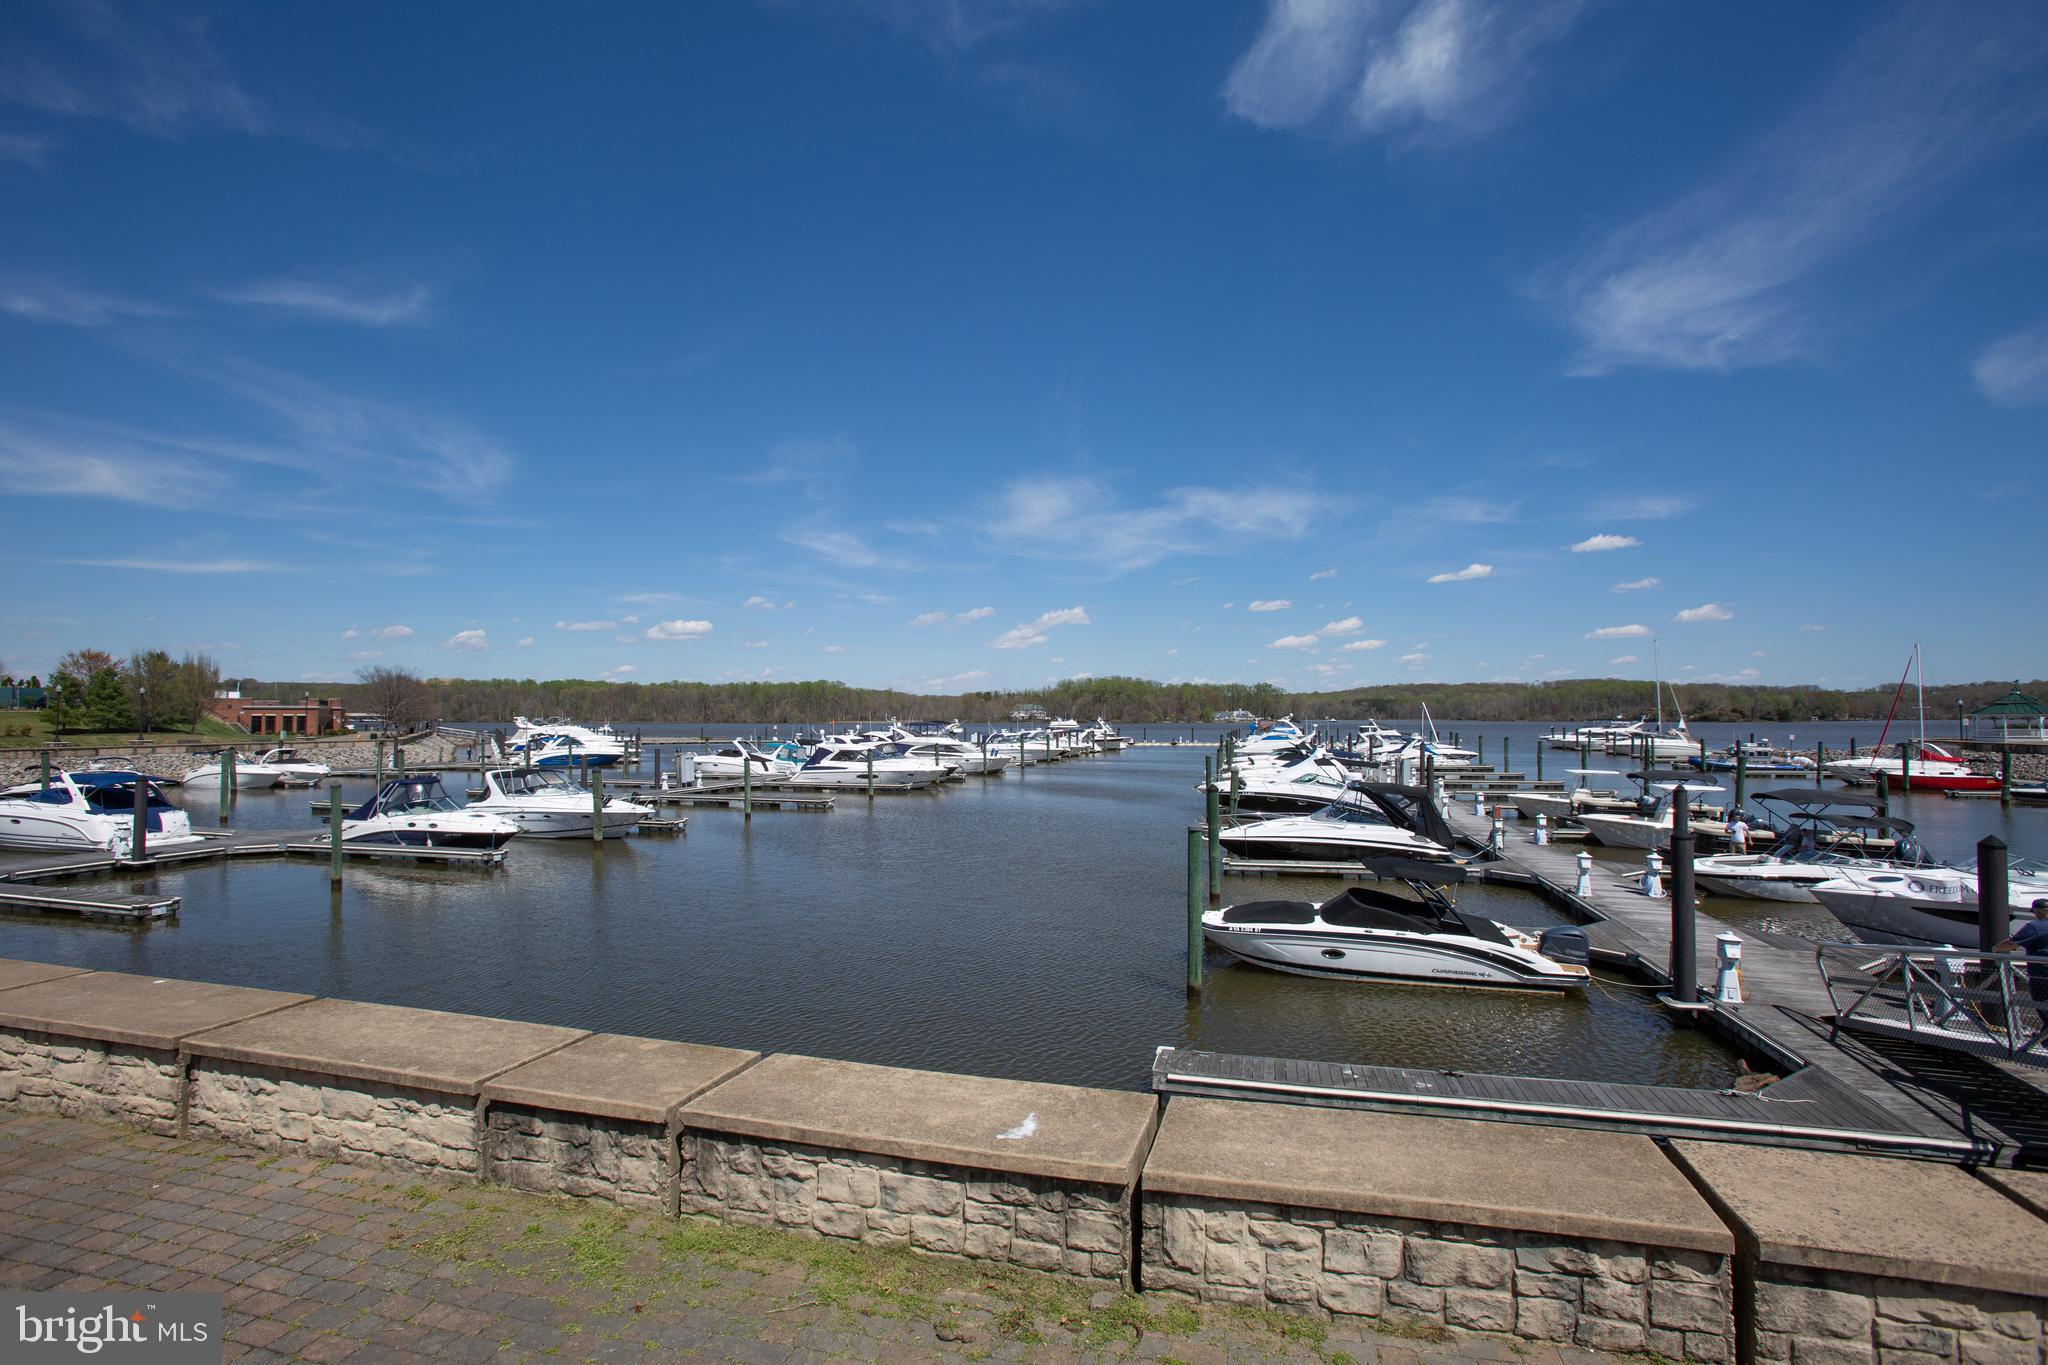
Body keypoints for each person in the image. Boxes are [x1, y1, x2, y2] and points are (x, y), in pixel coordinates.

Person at [1996, 899, 2048, 1014]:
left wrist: (1995, 948)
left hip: (2042, 976)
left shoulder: (2036, 927)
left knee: (2043, 1006)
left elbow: (2010, 945)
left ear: (2038, 911)